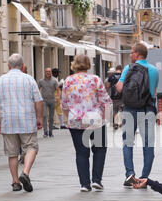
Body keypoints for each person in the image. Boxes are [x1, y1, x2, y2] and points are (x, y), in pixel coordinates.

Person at [0, 54, 43, 192]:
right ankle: (25, 173)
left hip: (8, 120)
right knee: (31, 147)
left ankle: (15, 182)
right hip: (27, 119)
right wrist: (39, 118)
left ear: (8, 66)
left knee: (12, 153)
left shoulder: (0, 80)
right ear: (22, 65)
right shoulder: (29, 79)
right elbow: (38, 100)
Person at [62, 55, 112, 192]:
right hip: (95, 119)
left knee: (81, 152)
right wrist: (106, 118)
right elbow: (105, 100)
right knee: (100, 149)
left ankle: (84, 184)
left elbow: (64, 103)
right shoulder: (95, 79)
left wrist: (70, 117)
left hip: (76, 121)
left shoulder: (68, 81)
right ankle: (97, 180)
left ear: (74, 64)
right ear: (88, 64)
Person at [116, 43, 160, 187]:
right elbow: (153, 93)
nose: (130, 55)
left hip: (130, 109)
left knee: (127, 142)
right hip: (148, 109)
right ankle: (144, 177)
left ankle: (130, 174)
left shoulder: (129, 68)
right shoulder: (154, 70)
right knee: (148, 144)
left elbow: (120, 88)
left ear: (137, 54)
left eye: (132, 52)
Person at [38, 67, 60, 138]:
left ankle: (50, 132)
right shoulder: (41, 81)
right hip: (44, 100)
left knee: (51, 117)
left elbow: (57, 90)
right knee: (44, 116)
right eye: (47, 71)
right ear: (45, 72)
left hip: (52, 100)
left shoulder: (54, 81)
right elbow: (37, 89)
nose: (48, 73)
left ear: (51, 73)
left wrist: (58, 97)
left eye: (49, 72)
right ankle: (45, 132)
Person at [106, 65, 123, 130]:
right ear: (121, 69)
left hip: (114, 96)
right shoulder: (123, 76)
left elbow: (107, 86)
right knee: (121, 109)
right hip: (122, 96)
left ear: (116, 69)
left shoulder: (111, 76)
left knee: (115, 110)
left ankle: (115, 124)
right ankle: (121, 123)